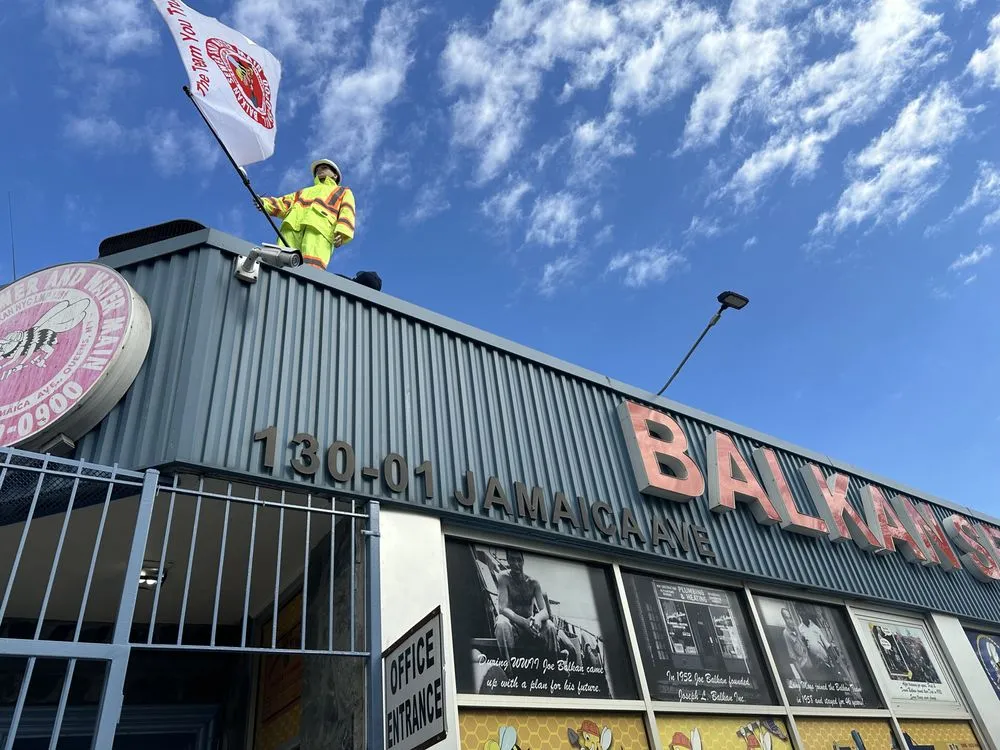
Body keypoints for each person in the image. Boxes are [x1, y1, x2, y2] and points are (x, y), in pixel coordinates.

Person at [257, 159, 356, 271]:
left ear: (335, 175)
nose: (319, 171)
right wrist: (264, 202)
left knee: (311, 267)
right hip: (291, 228)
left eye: (324, 168)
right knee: (282, 264)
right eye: (317, 170)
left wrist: (342, 233)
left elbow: (347, 211)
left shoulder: (342, 191)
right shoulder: (303, 191)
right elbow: (284, 203)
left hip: (319, 230)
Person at [494, 549, 558, 660]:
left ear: (523, 561)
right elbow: (502, 608)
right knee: (501, 623)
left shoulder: (533, 582)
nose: (516, 564)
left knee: (550, 626)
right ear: (508, 561)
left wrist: (537, 618)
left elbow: (544, 612)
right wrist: (524, 623)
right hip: (513, 626)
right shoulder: (503, 578)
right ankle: (509, 668)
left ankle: (552, 666)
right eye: (512, 560)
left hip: (531, 626)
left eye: (519, 560)